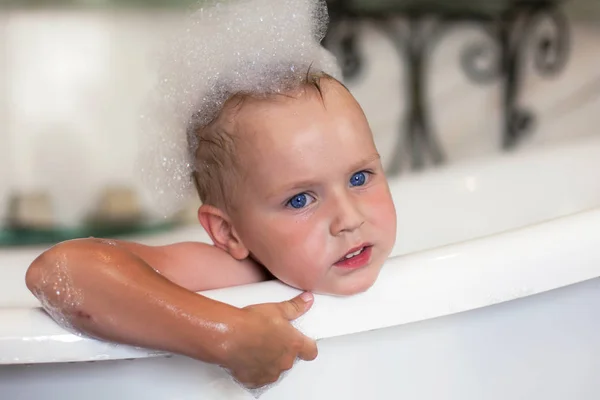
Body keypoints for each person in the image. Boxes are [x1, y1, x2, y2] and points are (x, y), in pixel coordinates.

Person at [25, 0, 397, 390]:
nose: (349, 218)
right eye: (300, 200)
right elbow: (58, 270)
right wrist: (225, 333)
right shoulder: (238, 274)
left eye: (359, 177)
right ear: (230, 234)